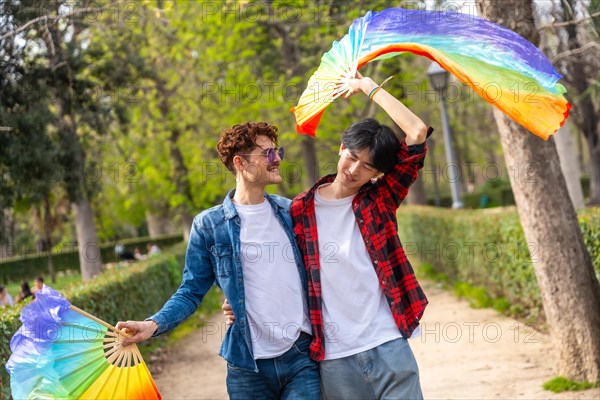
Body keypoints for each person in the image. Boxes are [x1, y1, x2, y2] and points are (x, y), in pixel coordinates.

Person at [116, 122, 319, 399]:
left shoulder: (291, 212)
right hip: (247, 366)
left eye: (277, 151)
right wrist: (152, 325)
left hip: (301, 355)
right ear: (240, 162)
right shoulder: (209, 225)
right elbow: (190, 291)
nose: (278, 159)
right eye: (267, 153)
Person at [289, 72, 431, 399]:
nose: (354, 171)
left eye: (367, 167)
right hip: (334, 357)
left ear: (378, 173)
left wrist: (367, 86)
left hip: (388, 343)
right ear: (341, 148)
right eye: (352, 157)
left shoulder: (379, 199)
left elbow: (417, 132)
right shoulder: (299, 210)